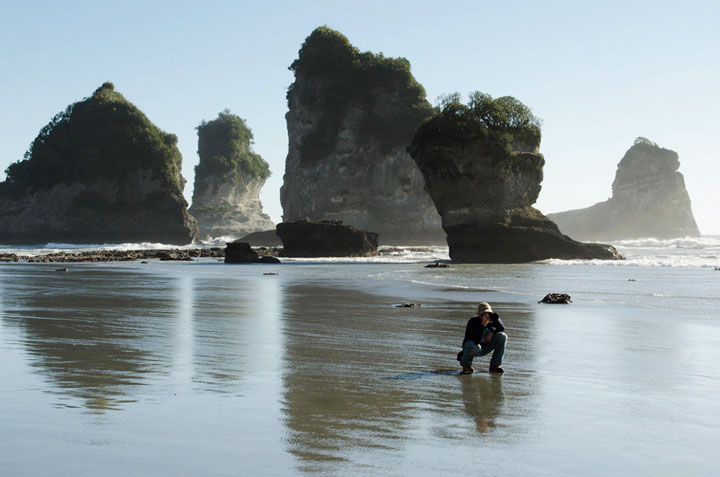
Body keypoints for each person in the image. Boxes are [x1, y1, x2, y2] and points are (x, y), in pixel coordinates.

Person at [458, 302, 507, 374]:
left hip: (485, 347)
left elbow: (501, 328)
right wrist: (483, 324)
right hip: (472, 346)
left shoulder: (493, 319)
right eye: (484, 314)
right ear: (479, 315)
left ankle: (495, 366)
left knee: (502, 336)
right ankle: (466, 365)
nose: (487, 316)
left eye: (488, 313)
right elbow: (476, 340)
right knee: (475, 347)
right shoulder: (473, 321)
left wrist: (492, 333)